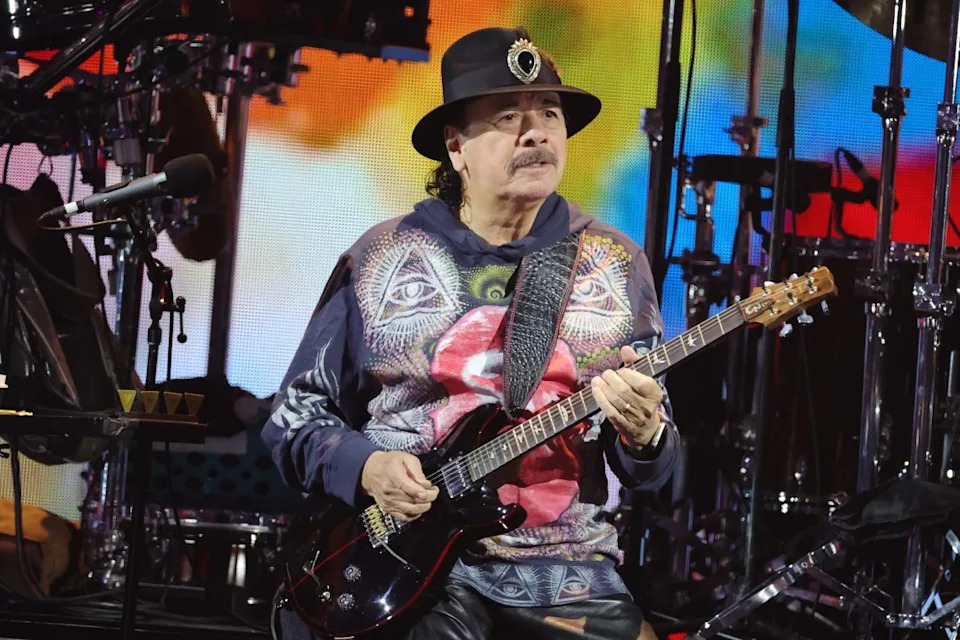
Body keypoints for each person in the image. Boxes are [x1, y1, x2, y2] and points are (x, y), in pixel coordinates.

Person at [262, 26, 679, 640]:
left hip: (566, 573)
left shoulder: (615, 263)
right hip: (404, 566)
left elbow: (657, 474)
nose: (535, 132)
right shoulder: (382, 256)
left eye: (549, 114)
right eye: (508, 116)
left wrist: (646, 436)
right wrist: (366, 466)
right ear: (455, 147)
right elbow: (296, 418)